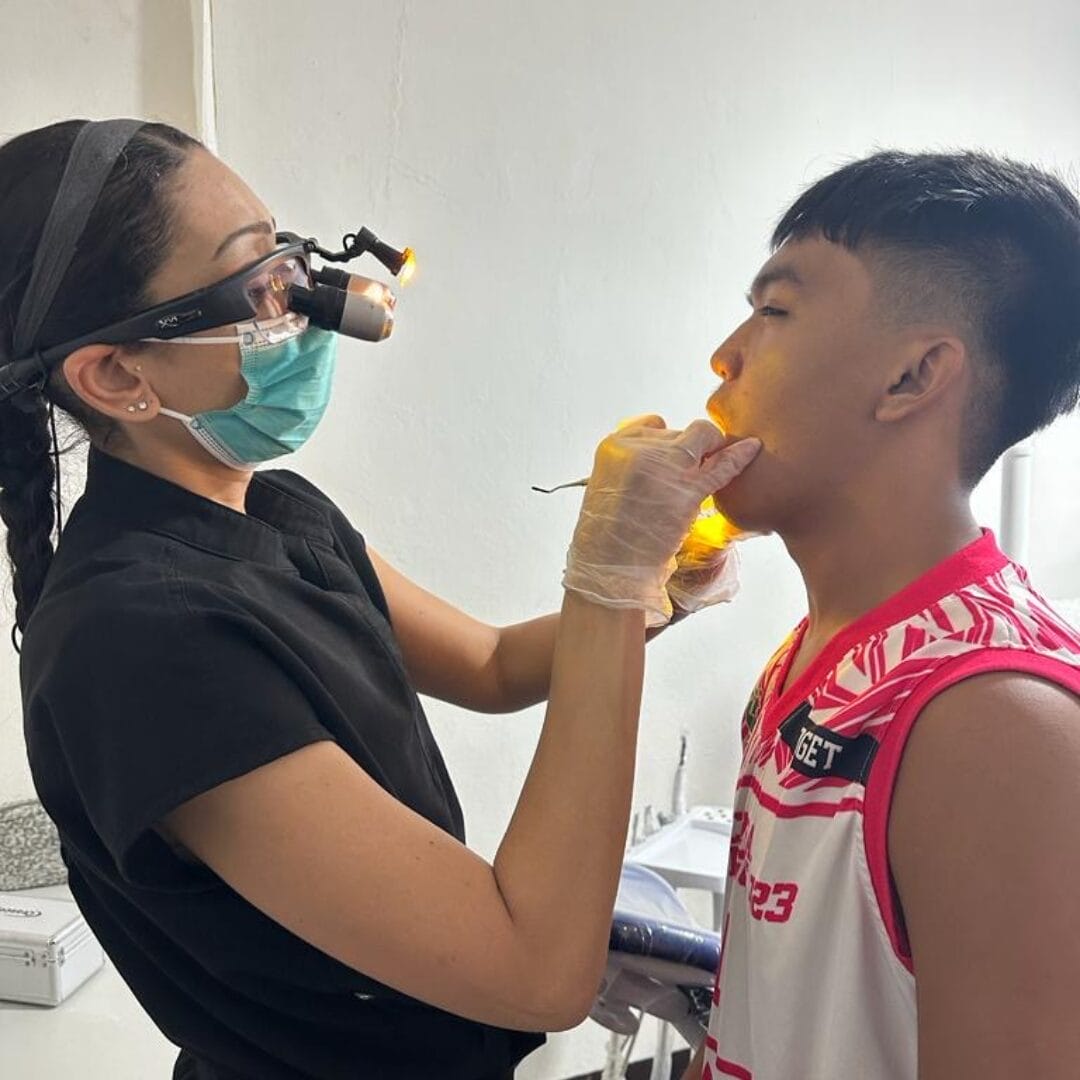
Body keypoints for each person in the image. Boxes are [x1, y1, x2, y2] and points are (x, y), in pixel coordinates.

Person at [0, 119, 760, 1080]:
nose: (318, 307)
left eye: (290, 255)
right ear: (116, 375)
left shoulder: (279, 510)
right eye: (259, 286)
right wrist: (605, 582)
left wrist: (656, 589)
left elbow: (489, 666)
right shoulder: (137, 641)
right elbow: (536, 970)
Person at [678, 151, 1080, 1080]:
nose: (726, 354)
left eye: (774, 310)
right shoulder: (809, 657)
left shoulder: (995, 725)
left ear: (912, 378)